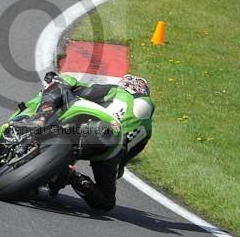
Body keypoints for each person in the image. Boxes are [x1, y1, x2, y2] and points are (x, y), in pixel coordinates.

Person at [17, 72, 154, 212]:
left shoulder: (117, 91)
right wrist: (115, 169)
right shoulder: (146, 131)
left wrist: (55, 80)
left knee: (62, 83)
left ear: (126, 85)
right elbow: (124, 160)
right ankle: (72, 176)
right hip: (109, 150)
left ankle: (40, 117)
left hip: (90, 127)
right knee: (106, 202)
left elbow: (76, 87)